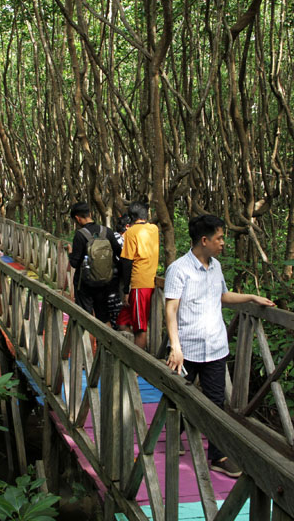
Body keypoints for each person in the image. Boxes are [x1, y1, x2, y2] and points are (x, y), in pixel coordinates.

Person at [164, 214, 274, 478]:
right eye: (219, 238)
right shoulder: (178, 269)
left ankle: (217, 455)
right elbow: (171, 309)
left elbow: (222, 296)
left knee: (215, 402)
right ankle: (173, 432)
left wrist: (250, 296)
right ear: (204, 240)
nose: (223, 242)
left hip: (214, 346)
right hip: (187, 346)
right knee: (178, 395)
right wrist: (175, 346)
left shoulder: (216, 267)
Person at [68, 202, 122, 327]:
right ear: (90, 214)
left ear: (77, 218)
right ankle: (105, 346)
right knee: (104, 317)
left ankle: (88, 347)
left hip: (84, 285)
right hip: (105, 283)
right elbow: (120, 254)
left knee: (85, 319)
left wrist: (70, 253)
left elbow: (75, 263)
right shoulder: (107, 232)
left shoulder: (80, 235)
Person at [116, 202, 159, 350]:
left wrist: (126, 291)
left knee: (140, 328)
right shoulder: (154, 229)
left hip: (139, 284)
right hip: (148, 282)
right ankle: (130, 356)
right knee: (122, 321)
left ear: (132, 217)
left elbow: (126, 262)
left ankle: (135, 370)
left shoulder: (131, 233)